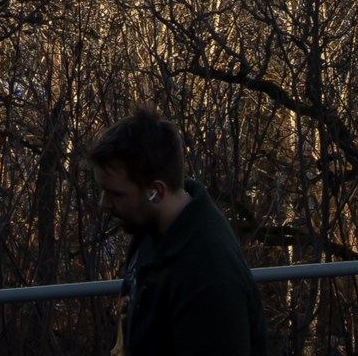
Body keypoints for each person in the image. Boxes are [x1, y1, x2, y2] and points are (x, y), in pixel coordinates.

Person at [88, 112, 267, 356]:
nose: (103, 203)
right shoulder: (152, 228)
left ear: (156, 192)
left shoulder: (209, 279)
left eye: (115, 194)